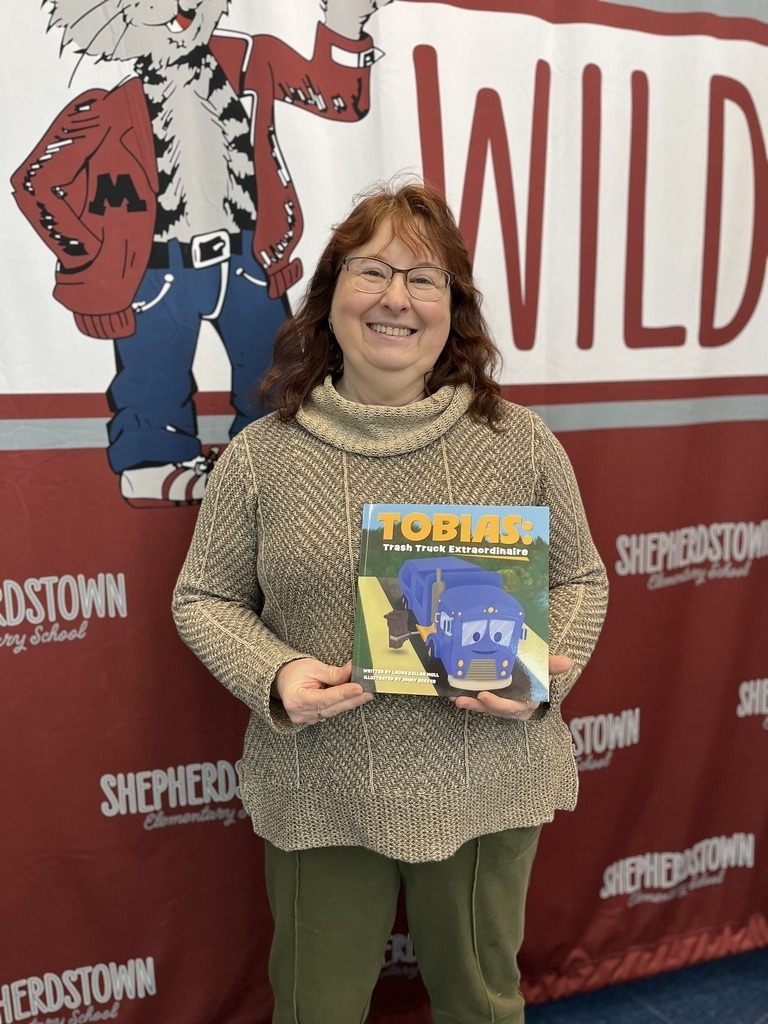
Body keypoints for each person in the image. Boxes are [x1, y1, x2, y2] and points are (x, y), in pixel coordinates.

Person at [172, 181, 609, 1024]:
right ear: (330, 297)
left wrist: (547, 670)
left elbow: (581, 578)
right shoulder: (263, 457)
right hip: (322, 781)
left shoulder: (520, 443)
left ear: (455, 309)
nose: (397, 300)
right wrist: (277, 672)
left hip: (490, 775)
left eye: (426, 279)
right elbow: (204, 597)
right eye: (372, 272)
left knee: (482, 1005)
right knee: (315, 1009)